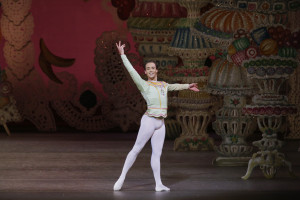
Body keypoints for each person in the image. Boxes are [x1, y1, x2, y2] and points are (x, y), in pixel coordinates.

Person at [113, 41, 199, 192]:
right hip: (149, 121)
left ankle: (158, 184)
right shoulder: (143, 85)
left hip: (160, 123)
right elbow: (132, 71)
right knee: (136, 149)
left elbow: (174, 86)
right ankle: (122, 177)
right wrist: (123, 55)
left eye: (153, 68)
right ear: (145, 72)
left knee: (157, 154)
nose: (150, 70)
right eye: (148, 69)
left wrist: (188, 86)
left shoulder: (163, 85)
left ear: (157, 70)